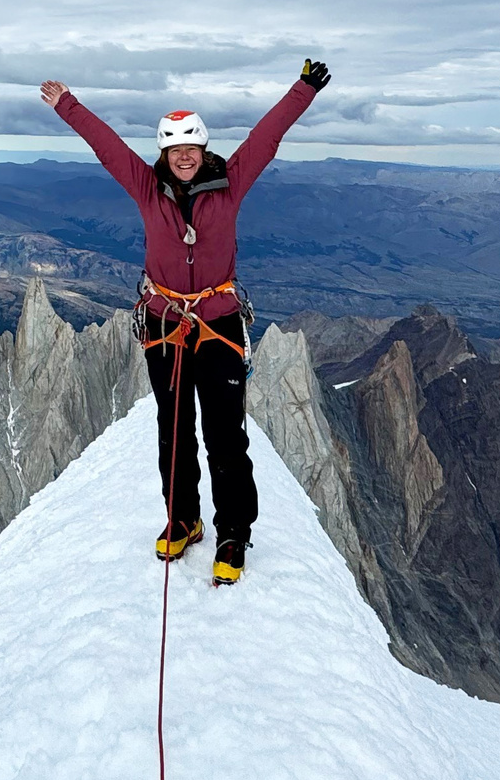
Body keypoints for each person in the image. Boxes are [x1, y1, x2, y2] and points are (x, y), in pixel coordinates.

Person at [38, 60, 330, 584]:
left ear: (203, 149)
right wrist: (67, 105)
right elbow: (108, 148)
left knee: (225, 434)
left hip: (216, 323)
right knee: (173, 432)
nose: (185, 157)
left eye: (191, 148)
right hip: (165, 325)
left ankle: (233, 533)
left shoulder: (229, 184)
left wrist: (302, 89)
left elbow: (265, 138)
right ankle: (184, 519)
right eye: (175, 150)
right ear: (165, 155)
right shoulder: (148, 189)